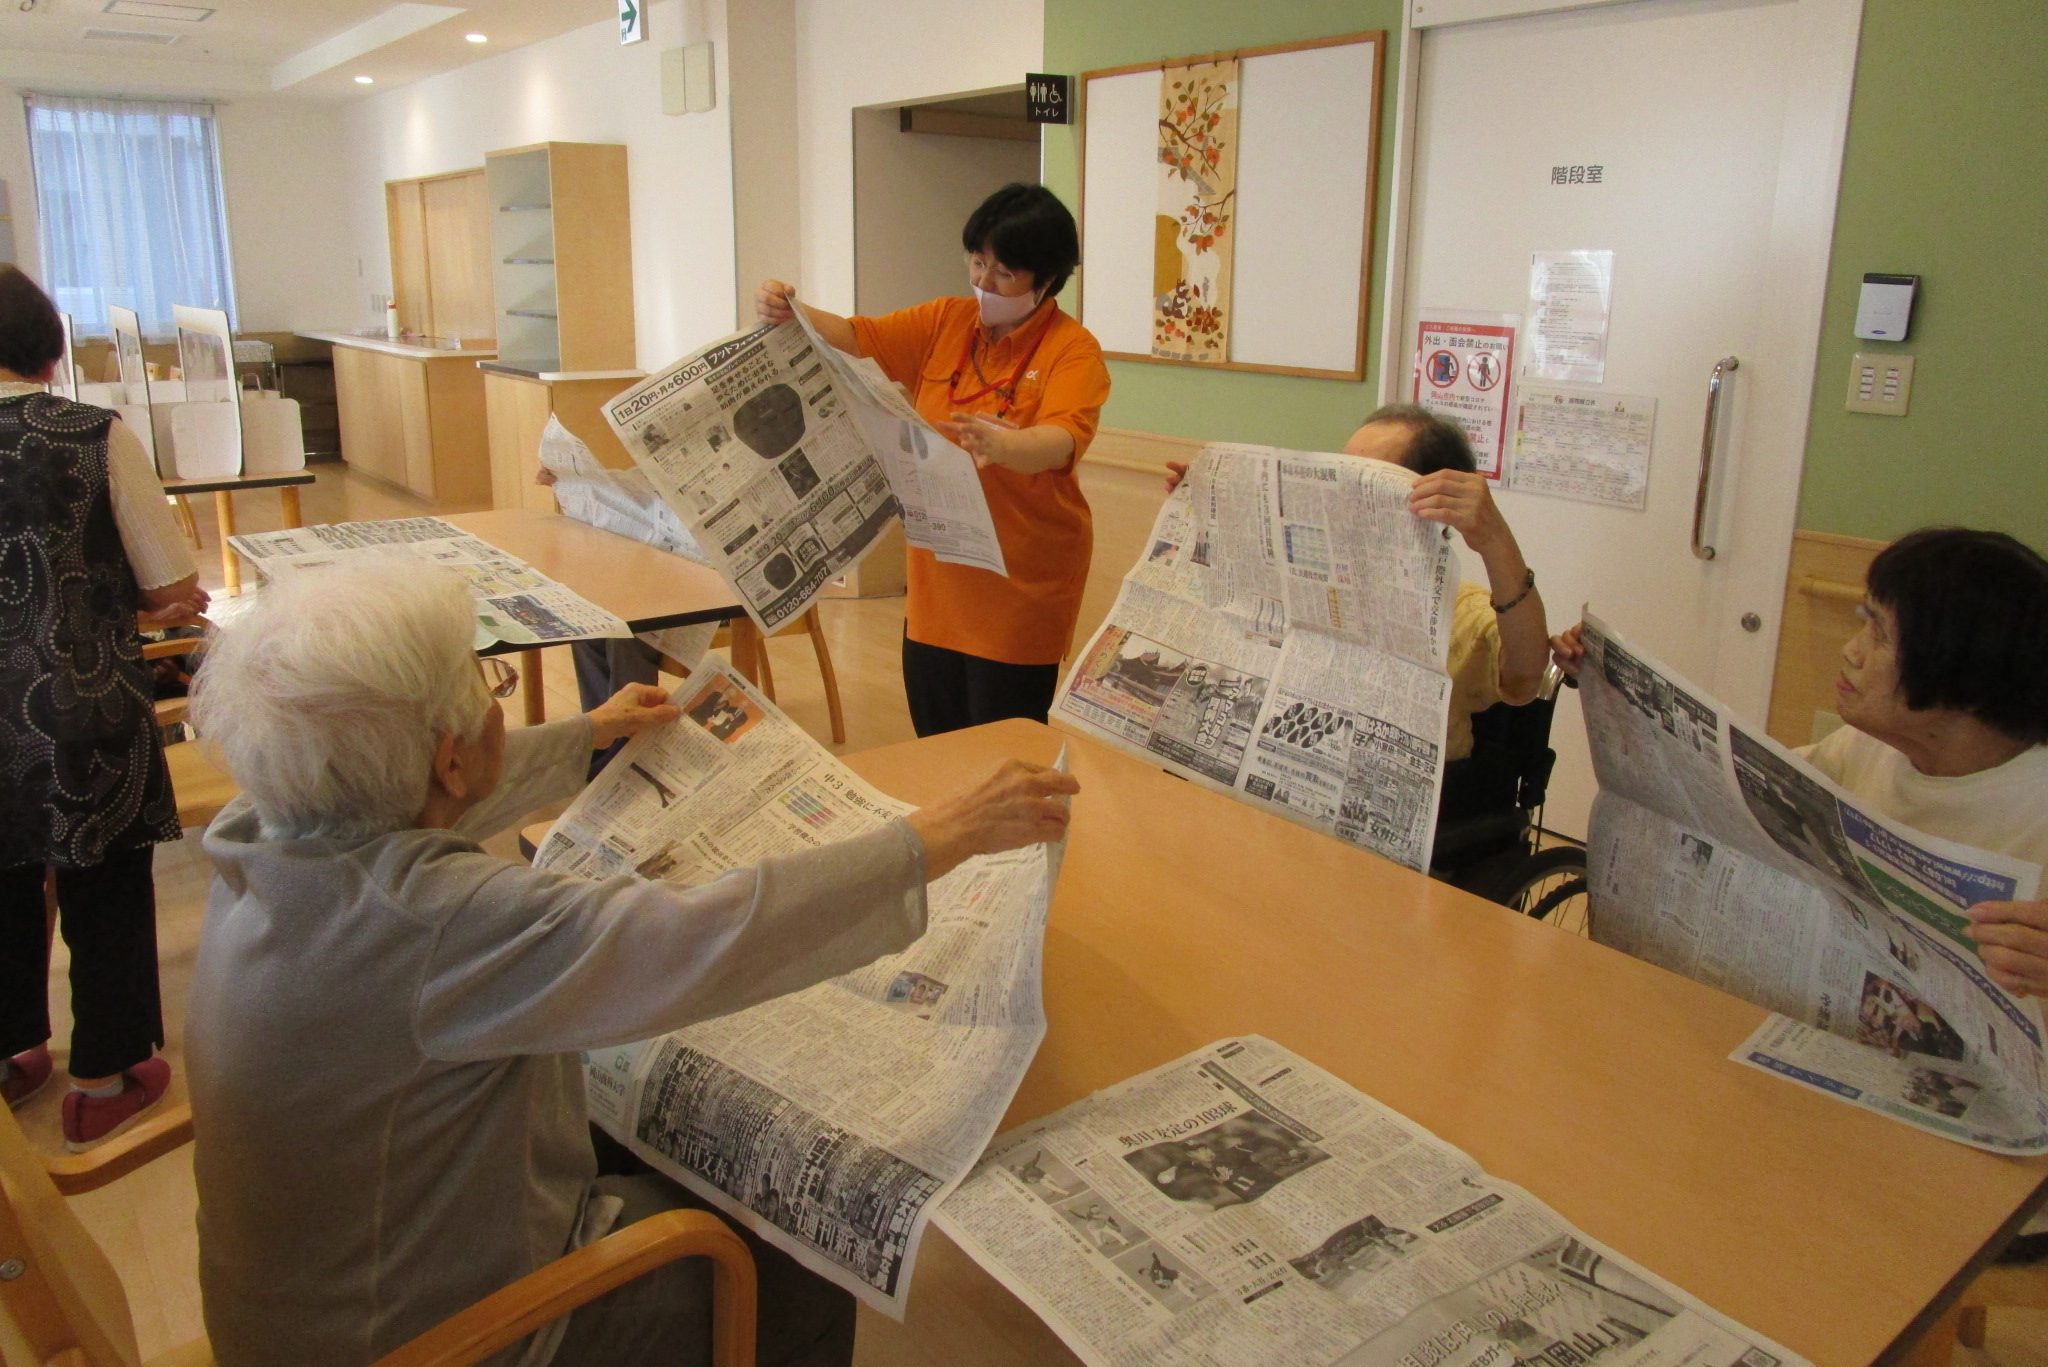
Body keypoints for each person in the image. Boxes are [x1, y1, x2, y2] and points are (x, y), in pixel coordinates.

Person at [183, 556, 1078, 1367]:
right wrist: (931, 838)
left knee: (635, 1123)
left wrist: (588, 737)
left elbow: (420, 790)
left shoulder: (267, 829)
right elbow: (700, 936)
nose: (497, 699)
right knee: (801, 1257)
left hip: (307, 1316)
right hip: (442, 1342)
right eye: (486, 682)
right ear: (451, 758)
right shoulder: (439, 924)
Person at [1551, 527, 2048, 995]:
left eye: (1879, 635)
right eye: (1863, 623)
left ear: (1961, 671)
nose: (1851, 651)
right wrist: (1609, 686)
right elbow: (1740, 795)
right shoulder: (1870, 745)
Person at [757, 182, 1111, 737]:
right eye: (977, 262)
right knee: (937, 742)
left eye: (1004, 273)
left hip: (1020, 587)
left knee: (1003, 750)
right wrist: (791, 310)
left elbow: (1063, 438)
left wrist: (1003, 445)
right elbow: (856, 336)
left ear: (1046, 280)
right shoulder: (947, 321)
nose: (983, 283)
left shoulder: (1073, 349)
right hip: (937, 583)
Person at [0, 265, 208, 1147]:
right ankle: (106, 1074)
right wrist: (131, 598)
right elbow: (172, 580)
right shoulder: (90, 434)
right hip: (79, 702)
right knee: (107, 880)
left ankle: (11, 1053)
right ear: (46, 346)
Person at [1167, 405, 1548, 760]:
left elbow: (1525, 676)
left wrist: (1495, 539)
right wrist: (1208, 512)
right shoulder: (1298, 587)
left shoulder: (1461, 610)